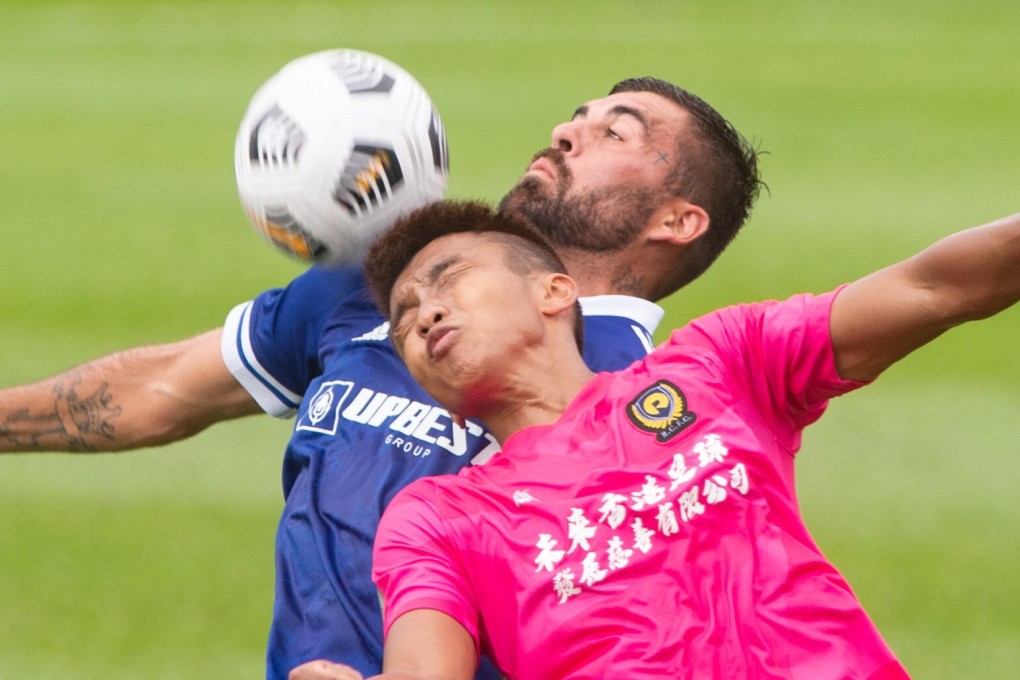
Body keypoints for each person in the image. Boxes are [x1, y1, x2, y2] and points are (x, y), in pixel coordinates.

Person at [0, 77, 761, 679]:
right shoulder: (385, 292)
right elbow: (164, 388)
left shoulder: (655, 414)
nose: (567, 130)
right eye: (577, 115)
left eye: (613, 131)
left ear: (677, 221)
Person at [289, 197, 1019, 679]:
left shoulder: (720, 362)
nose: (423, 314)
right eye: (406, 313)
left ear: (553, 291)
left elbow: (936, 288)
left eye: (448, 279)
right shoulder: (438, 522)